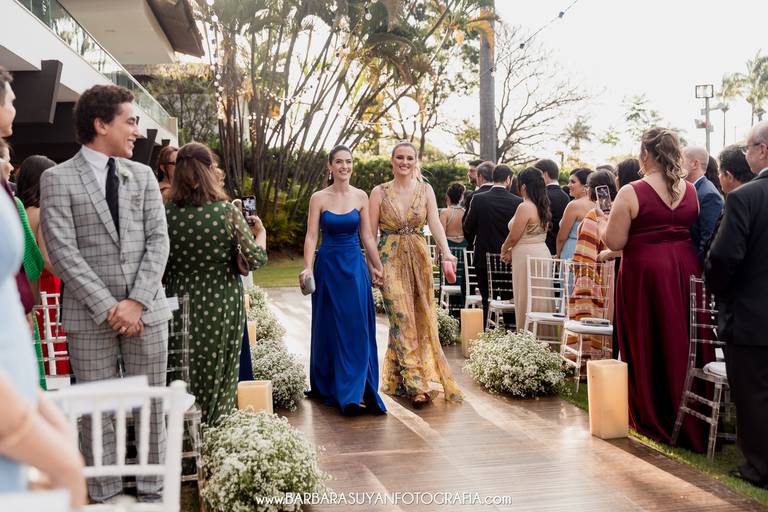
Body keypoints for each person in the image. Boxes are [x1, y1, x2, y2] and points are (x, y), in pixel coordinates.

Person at [40, 84, 172, 502]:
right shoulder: (56, 179)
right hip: (88, 316)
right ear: (101, 124)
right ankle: (105, 496)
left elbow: (159, 241)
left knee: (151, 404)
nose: (138, 131)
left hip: (146, 312)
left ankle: (153, 492)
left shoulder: (144, 176)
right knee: (97, 410)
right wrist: (111, 308)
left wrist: (136, 302)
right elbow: (62, 251)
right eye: (130, 122)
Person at [598, 127, 711, 453]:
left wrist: (603, 222)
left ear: (645, 154)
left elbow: (615, 241)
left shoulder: (631, 191)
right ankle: (688, 414)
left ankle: (653, 414)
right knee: (682, 338)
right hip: (685, 269)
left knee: (646, 337)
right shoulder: (690, 190)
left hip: (645, 273)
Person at [165, 142, 267, 424]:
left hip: (179, 302)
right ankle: (215, 424)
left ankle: (185, 430)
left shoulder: (167, 213)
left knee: (182, 366)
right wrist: (261, 234)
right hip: (220, 301)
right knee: (220, 367)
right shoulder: (225, 212)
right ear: (209, 170)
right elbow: (256, 258)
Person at [369, 141, 463, 407]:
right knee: (401, 316)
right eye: (400, 157)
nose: (405, 162)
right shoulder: (378, 192)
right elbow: (370, 233)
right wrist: (372, 264)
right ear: (392, 160)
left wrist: (447, 252)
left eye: (409, 158)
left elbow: (434, 223)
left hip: (419, 259)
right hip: (389, 259)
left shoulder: (426, 189)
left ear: (415, 161)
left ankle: (397, 377)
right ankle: (416, 386)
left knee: (419, 317)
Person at [706, 121, 768, 487]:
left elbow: (723, 258)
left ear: (763, 149)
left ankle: (760, 467)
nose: (746, 155)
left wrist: (721, 292)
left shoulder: (745, 197)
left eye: (748, 148)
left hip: (751, 315)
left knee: (753, 394)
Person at [302, 145, 386, 416]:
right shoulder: (318, 198)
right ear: (330, 166)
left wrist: (377, 266)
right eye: (339, 162)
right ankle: (332, 385)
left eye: (348, 162)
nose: (344, 166)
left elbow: (368, 236)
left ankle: (357, 391)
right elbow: (311, 236)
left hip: (354, 268)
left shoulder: (361, 196)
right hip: (328, 266)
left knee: (357, 327)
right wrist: (307, 268)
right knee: (330, 326)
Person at [16, 155, 67, 379]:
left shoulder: (17, 210)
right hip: (47, 285)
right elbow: (47, 258)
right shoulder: (43, 212)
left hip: (24, 284)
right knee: (50, 345)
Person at [564, 170, 618, 355]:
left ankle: (588, 355)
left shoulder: (593, 215)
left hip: (598, 272)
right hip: (616, 270)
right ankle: (608, 357)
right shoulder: (618, 211)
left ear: (592, 189)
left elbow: (585, 256)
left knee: (592, 316)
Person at [463, 164, 522, 323]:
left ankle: (486, 330)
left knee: (486, 299)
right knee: (508, 298)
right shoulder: (518, 201)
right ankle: (510, 329)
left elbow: (467, 227)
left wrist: (475, 239)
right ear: (508, 179)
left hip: (483, 255)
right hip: (508, 258)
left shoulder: (478, 199)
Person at [500, 167, 552, 331]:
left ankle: (527, 334)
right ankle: (541, 335)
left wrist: (504, 249)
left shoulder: (525, 207)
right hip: (541, 253)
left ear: (523, 186)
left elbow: (514, 236)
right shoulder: (542, 205)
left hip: (526, 257)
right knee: (540, 297)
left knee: (525, 296)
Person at [683, 146, 723, 262]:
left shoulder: (709, 194)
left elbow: (708, 240)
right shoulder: (693, 189)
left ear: (695, 164)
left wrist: (697, 267)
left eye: (680, 160)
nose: (676, 165)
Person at [438, 182, 466, 312]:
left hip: (448, 248)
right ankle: (461, 310)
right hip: (464, 249)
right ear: (461, 196)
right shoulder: (465, 212)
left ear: (448, 197)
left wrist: (437, 254)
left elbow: (440, 235)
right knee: (462, 280)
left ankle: (450, 311)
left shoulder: (445, 212)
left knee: (448, 279)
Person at [534, 158, 569, 255]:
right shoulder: (565, 196)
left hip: (543, 247)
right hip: (560, 247)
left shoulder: (542, 196)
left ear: (544, 175)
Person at [557, 168, 593, 260]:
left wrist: (558, 255)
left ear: (585, 186)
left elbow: (562, 237)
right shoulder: (599, 203)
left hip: (573, 251)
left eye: (573, 182)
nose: (568, 185)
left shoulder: (574, 205)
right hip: (592, 252)